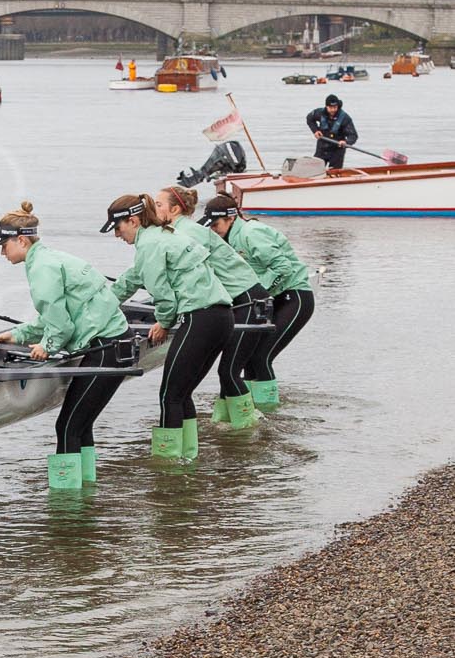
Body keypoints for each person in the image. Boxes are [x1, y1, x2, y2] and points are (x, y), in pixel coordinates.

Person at [0, 202, 131, 489]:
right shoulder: (50, 259)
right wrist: (17, 335)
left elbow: (60, 327)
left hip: (106, 348)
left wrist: (47, 347)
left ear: (22, 240)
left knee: (67, 427)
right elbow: (56, 317)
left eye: (4, 245)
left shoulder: (42, 269)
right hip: (115, 344)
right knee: (81, 424)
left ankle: (67, 504)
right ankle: (86, 489)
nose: (2, 252)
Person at [101, 194, 233, 463]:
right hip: (221, 318)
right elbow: (127, 283)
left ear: (134, 220)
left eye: (118, 228)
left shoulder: (149, 245)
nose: (116, 235)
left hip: (201, 319)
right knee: (181, 393)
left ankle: (168, 467)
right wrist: (94, 309)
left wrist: (163, 322)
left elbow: (164, 297)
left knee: (169, 396)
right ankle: (188, 459)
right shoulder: (161, 236)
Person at [156, 185, 266, 430]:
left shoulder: (184, 232)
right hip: (237, 299)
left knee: (228, 371)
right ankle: (230, 427)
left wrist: (165, 317)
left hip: (247, 298)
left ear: (175, 209)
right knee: (227, 372)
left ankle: (248, 429)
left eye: (159, 205)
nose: (154, 210)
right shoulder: (182, 230)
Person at [200, 194, 315, 412]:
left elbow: (284, 269)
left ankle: (269, 413)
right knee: (250, 357)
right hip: (270, 299)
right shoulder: (229, 238)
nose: (213, 231)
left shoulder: (251, 233)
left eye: (216, 225)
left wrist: (259, 294)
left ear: (231, 218)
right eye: (210, 227)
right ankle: (255, 408)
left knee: (262, 356)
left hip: (295, 297)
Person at [306, 94, 357, 170]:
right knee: (314, 170)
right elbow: (309, 118)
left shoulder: (345, 118)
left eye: (335, 107)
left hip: (337, 149)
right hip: (322, 148)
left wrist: (346, 142)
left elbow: (353, 135)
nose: (333, 110)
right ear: (326, 106)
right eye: (330, 108)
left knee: (334, 172)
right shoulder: (319, 112)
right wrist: (315, 131)